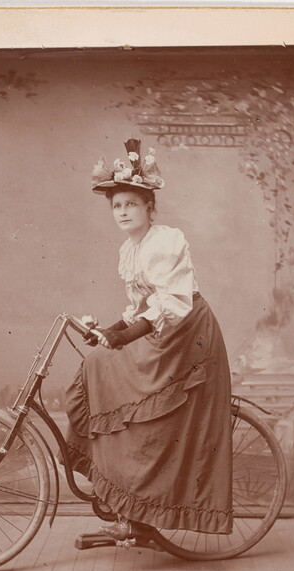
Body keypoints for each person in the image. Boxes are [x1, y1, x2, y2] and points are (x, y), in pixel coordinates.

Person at [64, 139, 233, 545]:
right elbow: (138, 307)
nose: (123, 211)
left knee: (147, 418)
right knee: (96, 364)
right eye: (117, 206)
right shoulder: (130, 248)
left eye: (131, 205)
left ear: (149, 208)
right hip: (161, 332)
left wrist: (124, 336)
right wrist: (108, 331)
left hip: (186, 335)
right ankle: (121, 500)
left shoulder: (165, 240)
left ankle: (140, 514)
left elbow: (170, 303)